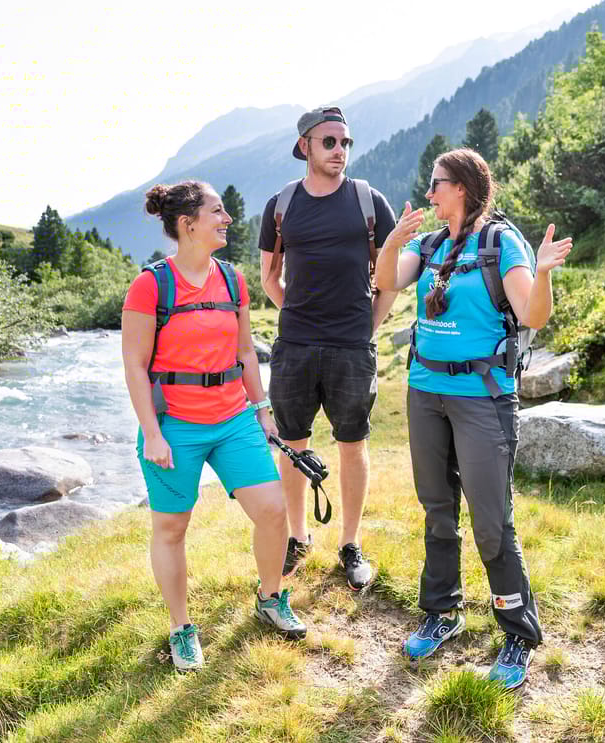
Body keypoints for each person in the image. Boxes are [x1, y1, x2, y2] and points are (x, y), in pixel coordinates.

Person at [374, 148, 572, 689]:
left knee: (491, 519)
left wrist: (545, 273)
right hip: (425, 391)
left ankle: (516, 631)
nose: (430, 191)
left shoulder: (501, 243)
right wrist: (394, 238)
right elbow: (386, 280)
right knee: (437, 508)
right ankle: (442, 612)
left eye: (437, 183)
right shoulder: (431, 244)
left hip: (483, 398)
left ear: (461, 186)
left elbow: (532, 314)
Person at [122, 180, 306, 672]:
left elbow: (246, 351)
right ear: (188, 224)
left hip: (233, 419)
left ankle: (271, 598)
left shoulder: (233, 279)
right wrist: (154, 433)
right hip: (174, 425)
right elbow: (135, 366)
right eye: (217, 212)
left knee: (272, 510)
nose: (227, 219)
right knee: (171, 527)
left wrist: (262, 410)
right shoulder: (150, 285)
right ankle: (181, 627)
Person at [258, 105, 398, 590]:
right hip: (294, 347)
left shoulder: (368, 200)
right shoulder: (281, 204)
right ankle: (297, 538)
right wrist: (297, 313)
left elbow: (390, 276)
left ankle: (350, 544)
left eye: (345, 143)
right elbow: (269, 277)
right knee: (293, 443)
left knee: (352, 443)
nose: (340, 151)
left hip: (351, 348)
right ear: (306, 147)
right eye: (329, 142)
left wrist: (367, 326)